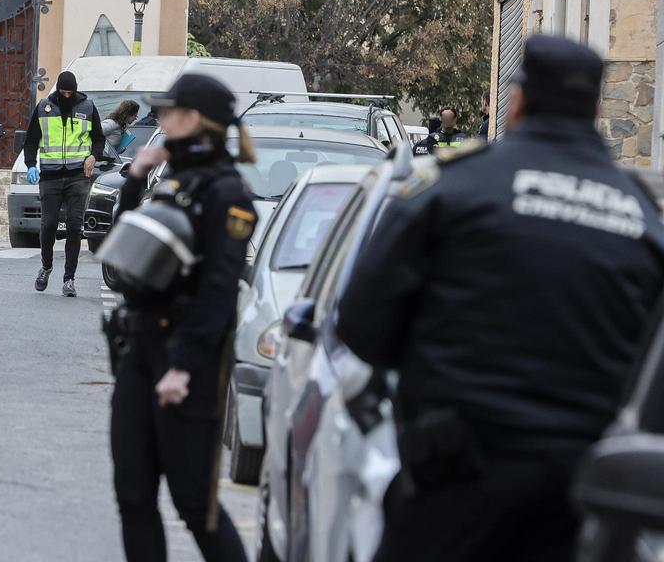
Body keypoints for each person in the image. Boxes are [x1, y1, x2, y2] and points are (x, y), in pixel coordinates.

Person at [336, 35, 664, 562]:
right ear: (596, 109)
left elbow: (360, 324)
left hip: (454, 478)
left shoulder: (452, 189)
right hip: (583, 501)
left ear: (517, 101)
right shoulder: (644, 221)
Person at [109, 74, 255, 562]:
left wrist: (184, 365)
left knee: (195, 503)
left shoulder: (226, 191)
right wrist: (133, 180)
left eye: (168, 112)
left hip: (184, 360)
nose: (161, 120)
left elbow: (218, 291)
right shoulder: (173, 176)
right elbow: (123, 253)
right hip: (139, 350)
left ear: (192, 120)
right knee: (133, 494)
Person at [22, 71, 104, 296]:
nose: (66, 95)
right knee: (48, 225)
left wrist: (94, 156)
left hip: (78, 176)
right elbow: (30, 140)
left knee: (74, 228)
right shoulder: (43, 108)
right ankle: (46, 267)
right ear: (58, 89)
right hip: (50, 176)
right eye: (63, 92)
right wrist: (30, 164)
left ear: (75, 90)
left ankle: (69, 279)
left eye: (70, 92)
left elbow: (99, 138)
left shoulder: (87, 107)